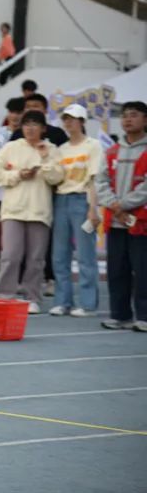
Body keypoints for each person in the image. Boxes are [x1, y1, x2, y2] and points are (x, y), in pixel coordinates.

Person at [0, 110, 64, 313]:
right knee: (10, 255)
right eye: (27, 124)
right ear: (22, 127)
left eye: (35, 124)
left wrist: (44, 158)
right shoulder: (11, 147)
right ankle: (5, 294)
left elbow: (57, 177)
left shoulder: (51, 149)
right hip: (13, 210)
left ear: (43, 128)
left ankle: (32, 297)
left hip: (39, 210)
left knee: (36, 258)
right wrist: (17, 175)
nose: (30, 128)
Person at [96, 101, 147, 331]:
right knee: (117, 269)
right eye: (125, 116)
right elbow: (100, 181)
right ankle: (120, 315)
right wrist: (113, 204)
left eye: (134, 115)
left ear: (145, 120)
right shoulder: (112, 151)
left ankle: (144, 317)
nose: (128, 120)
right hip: (116, 222)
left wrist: (124, 204)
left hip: (141, 222)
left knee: (143, 269)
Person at [49, 104, 101, 317]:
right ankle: (63, 301)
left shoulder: (93, 145)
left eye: (72, 118)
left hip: (82, 200)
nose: (68, 122)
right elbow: (55, 177)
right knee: (59, 255)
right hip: (61, 200)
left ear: (82, 121)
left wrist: (93, 208)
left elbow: (94, 179)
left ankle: (88, 304)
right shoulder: (61, 149)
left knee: (86, 254)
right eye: (66, 119)